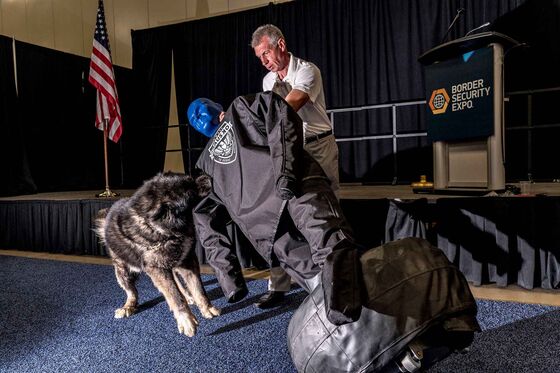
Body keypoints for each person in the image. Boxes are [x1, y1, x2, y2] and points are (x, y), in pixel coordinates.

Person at [189, 93, 362, 325]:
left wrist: (228, 277)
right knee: (330, 247)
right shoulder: (241, 106)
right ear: (219, 109)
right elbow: (282, 115)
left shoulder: (205, 166)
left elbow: (204, 220)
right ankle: (352, 319)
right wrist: (286, 173)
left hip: (268, 224)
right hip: (295, 189)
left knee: (317, 273)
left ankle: (344, 325)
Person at [251, 24, 340, 308]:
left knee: (327, 213)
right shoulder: (267, 82)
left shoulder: (307, 71)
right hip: (288, 151)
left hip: (318, 147)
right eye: (260, 58)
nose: (264, 61)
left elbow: (288, 107)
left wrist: (250, 115)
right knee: (279, 216)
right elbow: (271, 119)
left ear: (281, 45)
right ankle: (278, 285)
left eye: (266, 53)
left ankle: (334, 280)